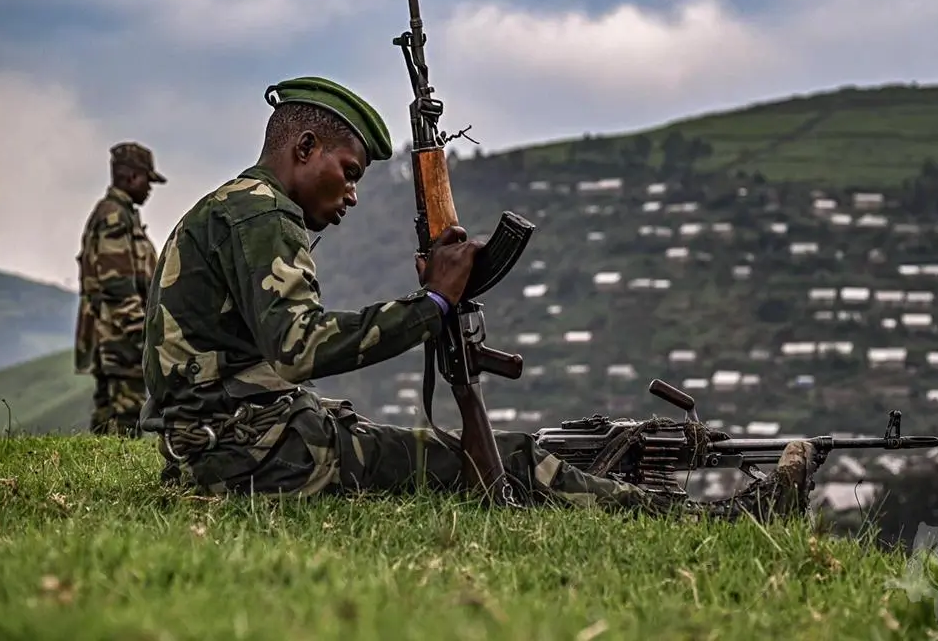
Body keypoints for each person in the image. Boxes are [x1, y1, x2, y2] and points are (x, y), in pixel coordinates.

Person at [139, 76, 817, 522]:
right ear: (304, 145)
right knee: (502, 461)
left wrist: (428, 305)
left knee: (508, 452)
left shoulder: (236, 208)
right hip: (250, 456)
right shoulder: (263, 217)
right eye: (347, 176)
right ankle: (717, 520)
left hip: (233, 444)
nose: (350, 196)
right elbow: (300, 347)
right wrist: (430, 304)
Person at [75, 141, 166, 437]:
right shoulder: (115, 216)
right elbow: (117, 285)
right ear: (130, 178)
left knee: (107, 412)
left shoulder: (119, 214)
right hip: (119, 337)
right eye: (147, 180)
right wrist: (142, 334)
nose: (150, 189)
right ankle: (116, 471)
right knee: (127, 414)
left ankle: (98, 469)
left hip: (110, 334)